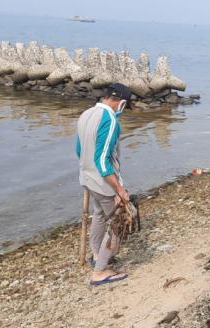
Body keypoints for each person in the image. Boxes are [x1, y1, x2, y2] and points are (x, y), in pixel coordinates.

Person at [76, 83, 133, 285]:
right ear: (122, 102)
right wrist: (119, 189)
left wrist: (88, 172)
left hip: (86, 177)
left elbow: (79, 150)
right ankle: (100, 271)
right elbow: (102, 159)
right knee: (120, 222)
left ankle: (96, 253)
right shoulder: (110, 119)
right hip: (103, 182)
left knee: (99, 214)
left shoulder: (86, 114)